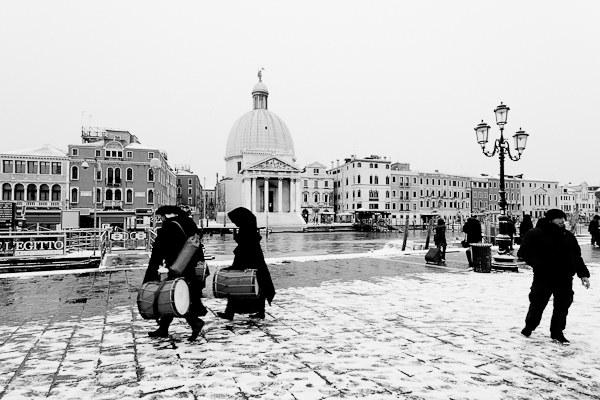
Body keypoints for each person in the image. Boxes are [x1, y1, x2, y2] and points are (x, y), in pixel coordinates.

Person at [517, 209, 591, 343]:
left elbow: (576, 256)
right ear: (550, 220)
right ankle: (529, 326)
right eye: (559, 219)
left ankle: (557, 332)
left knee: (562, 305)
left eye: (563, 218)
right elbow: (525, 252)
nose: (562, 221)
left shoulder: (568, 236)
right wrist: (540, 265)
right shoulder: (535, 234)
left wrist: (583, 274)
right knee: (538, 303)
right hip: (544, 276)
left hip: (565, 277)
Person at [143, 205, 207, 341]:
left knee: (171, 295)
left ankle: (194, 323)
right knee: (176, 295)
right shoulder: (190, 224)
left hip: (176, 268)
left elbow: (157, 253)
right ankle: (164, 328)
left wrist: (150, 275)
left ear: (166, 215)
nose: (160, 219)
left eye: (161, 216)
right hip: (191, 267)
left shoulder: (168, 228)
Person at [217, 207, 276, 321]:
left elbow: (244, 248)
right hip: (255, 262)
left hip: (247, 262)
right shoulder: (249, 229)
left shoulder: (245, 230)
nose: (234, 223)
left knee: (235, 287)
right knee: (258, 287)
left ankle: (230, 313)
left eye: (235, 220)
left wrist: (237, 240)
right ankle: (259, 311)